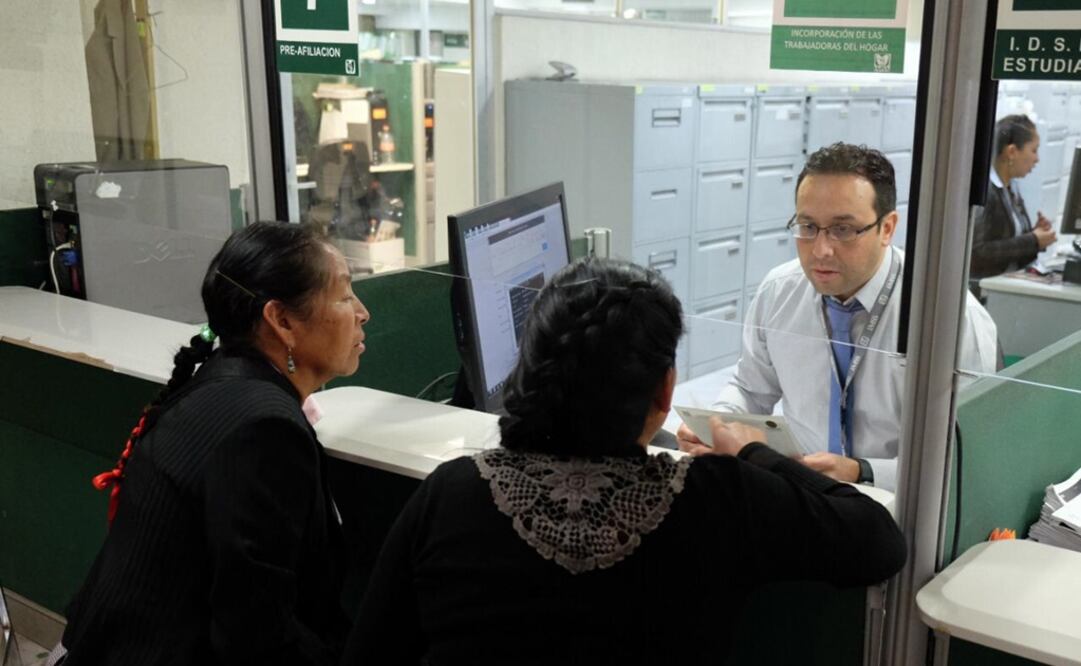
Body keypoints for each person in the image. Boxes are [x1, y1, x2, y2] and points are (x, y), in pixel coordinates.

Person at [341, 258, 905, 665]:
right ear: (664, 393)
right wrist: (755, 453)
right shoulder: (717, 497)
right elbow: (877, 541)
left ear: (529, 375)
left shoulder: (454, 491)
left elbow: (371, 650)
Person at [57, 222, 370, 665]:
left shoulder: (227, 380)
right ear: (281, 320)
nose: (362, 312)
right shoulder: (262, 430)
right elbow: (255, 633)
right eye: (344, 296)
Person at [679, 143, 998, 492]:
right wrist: (717, 425)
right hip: (799, 493)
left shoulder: (950, 319)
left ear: (887, 228)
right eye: (808, 226)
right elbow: (750, 387)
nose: (821, 250)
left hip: (898, 506)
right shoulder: (780, 292)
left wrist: (861, 471)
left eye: (843, 229)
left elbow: (964, 459)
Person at [970, 114, 1057, 281]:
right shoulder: (987, 192)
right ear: (1011, 151)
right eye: (1033, 150)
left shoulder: (1011, 188)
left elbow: (1010, 246)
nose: (1037, 159)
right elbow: (978, 253)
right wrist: (1032, 240)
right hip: (985, 292)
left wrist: (1036, 235)